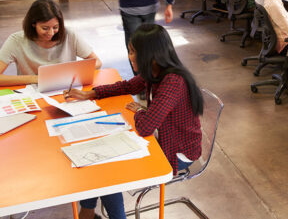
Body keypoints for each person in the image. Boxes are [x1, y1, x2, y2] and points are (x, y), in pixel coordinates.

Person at [65, 24, 203, 219]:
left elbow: (146, 127)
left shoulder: (172, 81)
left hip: (177, 152)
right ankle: (87, 211)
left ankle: (93, 213)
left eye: (133, 52)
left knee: (108, 170)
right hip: (162, 139)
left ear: (150, 54)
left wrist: (140, 111)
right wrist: (91, 94)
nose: (130, 57)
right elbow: (128, 86)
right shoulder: (154, 72)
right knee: (100, 160)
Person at [0, 0, 101, 86]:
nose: (51, 33)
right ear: (33, 24)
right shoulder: (16, 40)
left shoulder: (69, 35)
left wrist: (71, 72)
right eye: (45, 28)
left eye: (55, 27)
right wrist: (36, 79)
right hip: (31, 91)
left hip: (63, 88)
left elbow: (97, 62)